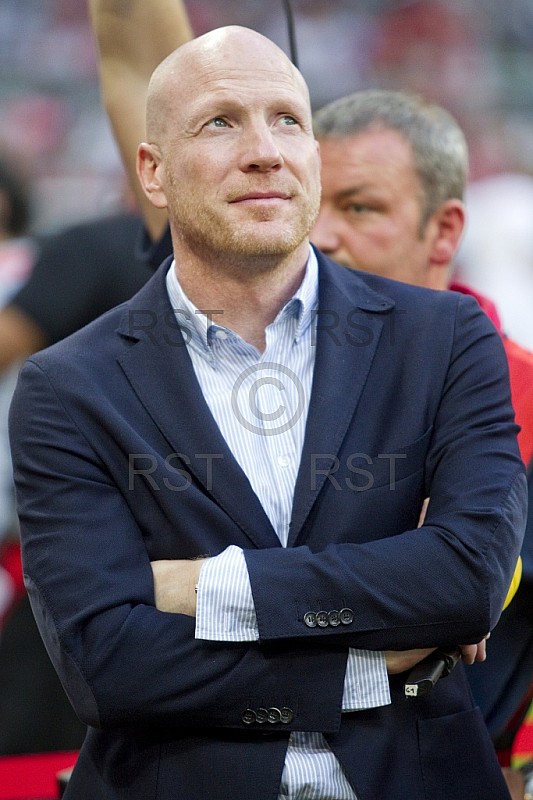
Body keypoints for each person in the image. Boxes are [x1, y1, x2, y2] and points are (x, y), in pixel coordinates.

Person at [9, 25, 526, 800]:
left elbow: (466, 579)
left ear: (312, 156)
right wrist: (362, 666)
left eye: (288, 119)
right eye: (221, 121)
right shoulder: (66, 385)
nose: (265, 150)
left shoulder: (449, 338)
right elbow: (106, 665)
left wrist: (207, 589)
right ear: (151, 172)